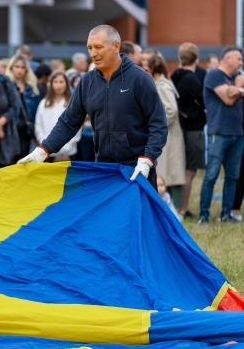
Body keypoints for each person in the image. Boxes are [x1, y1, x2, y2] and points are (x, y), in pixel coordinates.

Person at [18, 25, 168, 191]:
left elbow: (158, 124)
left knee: (139, 217)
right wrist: (43, 150)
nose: (93, 53)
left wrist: (147, 159)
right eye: (89, 48)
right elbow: (69, 122)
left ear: (116, 46)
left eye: (98, 47)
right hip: (104, 168)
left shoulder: (140, 79)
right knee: (110, 217)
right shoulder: (87, 82)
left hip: (137, 168)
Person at [198, 46, 244, 223]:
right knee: (211, 175)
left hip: (237, 133)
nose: (241, 62)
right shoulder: (214, 75)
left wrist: (236, 89)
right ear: (228, 59)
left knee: (233, 176)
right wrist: (239, 86)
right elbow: (228, 99)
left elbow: (233, 93)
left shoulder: (235, 78)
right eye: (238, 58)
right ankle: (204, 215)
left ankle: (226, 214)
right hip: (219, 132)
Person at [171, 43, 207, 219]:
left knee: (181, 168)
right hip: (193, 129)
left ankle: (178, 206)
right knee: (190, 170)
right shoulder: (191, 79)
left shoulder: (175, 76)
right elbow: (205, 101)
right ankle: (183, 208)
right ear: (196, 58)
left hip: (181, 127)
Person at [148, 55, 186, 213]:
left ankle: (177, 210)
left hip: (168, 135)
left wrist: (158, 126)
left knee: (172, 174)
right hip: (167, 135)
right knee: (167, 173)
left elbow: (171, 110)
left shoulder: (162, 85)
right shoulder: (160, 83)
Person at [34, 71, 81, 161]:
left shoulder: (73, 102)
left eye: (61, 82)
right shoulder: (44, 103)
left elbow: (78, 123)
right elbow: (38, 125)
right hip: (47, 151)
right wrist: (43, 141)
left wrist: (69, 143)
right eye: (55, 82)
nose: (58, 85)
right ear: (51, 84)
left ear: (66, 84)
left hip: (69, 151)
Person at [6, 54, 43, 161]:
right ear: (11, 68)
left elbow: (37, 111)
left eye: (23, 67)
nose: (19, 70)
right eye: (17, 66)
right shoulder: (6, 86)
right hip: (11, 129)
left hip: (28, 130)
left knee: (25, 160)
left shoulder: (32, 88)